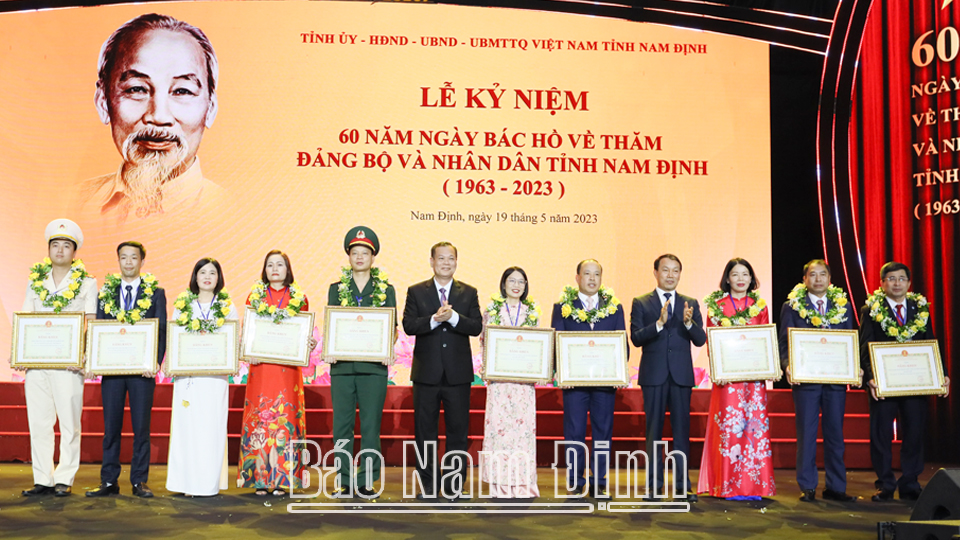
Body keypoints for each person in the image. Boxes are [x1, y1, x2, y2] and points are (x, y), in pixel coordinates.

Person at [77, 13, 223, 223]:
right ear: (102, 101)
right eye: (137, 89)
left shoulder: (236, 214)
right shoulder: (73, 203)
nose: (158, 116)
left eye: (182, 91)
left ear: (210, 108)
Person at [17, 219, 98, 497]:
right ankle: (42, 477)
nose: (60, 250)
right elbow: (25, 319)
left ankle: (64, 477)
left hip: (69, 364)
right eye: (55, 245)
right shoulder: (35, 282)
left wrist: (85, 357)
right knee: (38, 422)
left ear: (74, 252)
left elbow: (91, 322)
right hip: (38, 364)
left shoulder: (87, 283)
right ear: (48, 249)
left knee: (69, 423)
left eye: (66, 245)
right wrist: (19, 354)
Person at [860, 262, 949, 502]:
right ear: (882, 283)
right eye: (891, 278)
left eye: (901, 279)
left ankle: (910, 483)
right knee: (881, 434)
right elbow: (865, 345)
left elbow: (930, 340)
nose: (896, 283)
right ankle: (885, 484)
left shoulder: (919, 307)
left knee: (914, 432)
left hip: (914, 381)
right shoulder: (870, 309)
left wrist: (942, 372)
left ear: (909, 284)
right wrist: (870, 377)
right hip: (883, 383)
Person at [402, 241, 483, 500]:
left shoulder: (468, 292)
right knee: (425, 432)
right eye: (441, 258)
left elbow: (476, 326)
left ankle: (453, 485)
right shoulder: (416, 291)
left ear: (456, 262)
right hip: (426, 374)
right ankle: (428, 485)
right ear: (432, 261)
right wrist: (434, 320)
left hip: (457, 375)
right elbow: (408, 325)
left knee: (457, 432)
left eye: (451, 259)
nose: (446, 263)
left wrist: (454, 318)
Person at [86, 241, 167, 498]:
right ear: (118, 261)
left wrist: (155, 361)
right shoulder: (106, 292)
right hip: (112, 370)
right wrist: (94, 361)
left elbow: (161, 329)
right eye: (124, 257)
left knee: (141, 427)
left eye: (134, 257)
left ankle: (139, 481)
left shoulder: (155, 292)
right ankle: (109, 480)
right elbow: (99, 328)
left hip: (142, 371)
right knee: (111, 427)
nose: (129, 262)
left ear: (142, 261)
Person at [237, 250, 317, 496]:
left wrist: (308, 343)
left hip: (287, 370)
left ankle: (283, 478)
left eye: (279, 264)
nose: (274, 268)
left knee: (285, 420)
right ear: (265, 269)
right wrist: (246, 346)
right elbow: (248, 331)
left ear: (287, 269)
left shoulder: (298, 297)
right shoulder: (255, 296)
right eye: (270, 264)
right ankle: (260, 479)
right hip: (261, 367)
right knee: (261, 419)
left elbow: (301, 331)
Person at [325, 226, 397, 499]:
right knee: (342, 426)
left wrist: (387, 347)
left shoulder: (386, 290)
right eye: (354, 252)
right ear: (349, 257)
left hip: (373, 369)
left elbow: (392, 327)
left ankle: (366, 480)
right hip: (342, 368)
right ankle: (343, 480)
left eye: (364, 253)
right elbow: (331, 323)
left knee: (370, 427)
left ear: (373, 257)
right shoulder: (337, 289)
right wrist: (330, 349)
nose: (359, 257)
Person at [778, 259, 856, 503]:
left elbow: (850, 340)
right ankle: (808, 485)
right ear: (805, 279)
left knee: (835, 435)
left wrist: (854, 369)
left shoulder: (843, 306)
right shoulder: (791, 306)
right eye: (813, 275)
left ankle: (836, 487)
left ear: (829, 279)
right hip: (806, 381)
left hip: (835, 381)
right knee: (807, 433)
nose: (818, 279)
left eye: (823, 274)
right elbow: (784, 344)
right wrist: (787, 365)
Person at [698, 257, 776, 499]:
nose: (741, 279)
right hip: (727, 380)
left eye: (745, 274)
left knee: (754, 430)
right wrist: (718, 369)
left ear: (752, 278)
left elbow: (764, 340)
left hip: (753, 379)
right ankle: (726, 485)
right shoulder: (717, 306)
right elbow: (712, 341)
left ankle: (755, 486)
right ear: (727, 278)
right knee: (729, 430)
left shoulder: (760, 306)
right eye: (735, 274)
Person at [630, 254, 705, 501]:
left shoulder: (689, 302)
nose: (670, 275)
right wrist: (659, 324)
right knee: (654, 433)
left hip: (681, 376)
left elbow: (700, 339)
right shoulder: (641, 302)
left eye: (675, 271)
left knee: (682, 432)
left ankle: (683, 486)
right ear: (656, 273)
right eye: (666, 270)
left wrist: (688, 323)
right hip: (653, 375)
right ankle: (654, 486)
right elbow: (637, 338)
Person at [551, 259, 626, 499]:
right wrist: (562, 372)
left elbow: (621, 342)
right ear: (577, 278)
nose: (592, 279)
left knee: (603, 431)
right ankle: (575, 481)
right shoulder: (562, 306)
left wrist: (618, 372)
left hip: (604, 382)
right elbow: (556, 342)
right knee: (574, 432)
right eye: (587, 274)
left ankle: (599, 482)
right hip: (575, 383)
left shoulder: (614, 307)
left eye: (596, 274)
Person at [166, 258, 235, 497]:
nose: (207, 276)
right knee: (188, 427)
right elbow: (174, 338)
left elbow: (232, 340)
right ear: (195, 277)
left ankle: (207, 483)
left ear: (219, 278)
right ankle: (185, 483)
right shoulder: (183, 305)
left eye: (212, 273)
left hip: (215, 379)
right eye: (202, 272)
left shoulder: (227, 306)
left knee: (211, 428)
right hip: (188, 377)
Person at [480, 267, 541, 499]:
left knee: (522, 432)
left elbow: (538, 347)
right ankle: (500, 485)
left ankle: (523, 484)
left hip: (523, 385)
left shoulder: (531, 312)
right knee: (501, 432)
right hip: (500, 384)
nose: (517, 285)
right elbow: (485, 344)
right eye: (512, 280)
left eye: (521, 282)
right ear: (503, 283)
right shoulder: (492, 310)